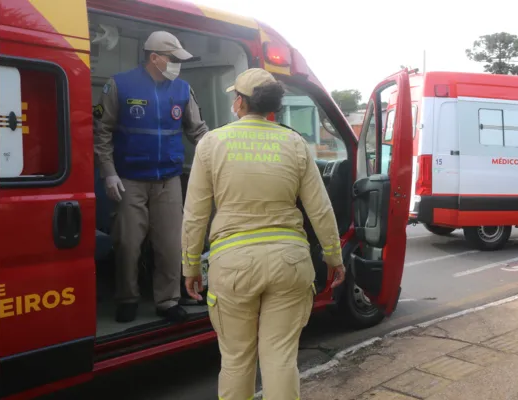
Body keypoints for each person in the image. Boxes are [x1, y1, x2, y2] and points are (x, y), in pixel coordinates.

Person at [180, 68, 347, 400]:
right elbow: (320, 209)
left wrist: (190, 266)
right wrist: (334, 257)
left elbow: (195, 213)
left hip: (233, 264)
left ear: (240, 102)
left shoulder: (212, 143)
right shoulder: (294, 143)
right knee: (280, 359)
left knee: (237, 361)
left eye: (234, 97)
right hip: (290, 262)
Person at [94, 31, 209, 323]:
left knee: (171, 244)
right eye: (173, 59)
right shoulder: (119, 85)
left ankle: (167, 300)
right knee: (127, 243)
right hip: (129, 179)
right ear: (154, 57)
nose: (177, 66)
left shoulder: (182, 89)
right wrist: (109, 174)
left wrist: (224, 153)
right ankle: (127, 297)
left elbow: (198, 132)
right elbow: (102, 132)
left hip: (168, 180)